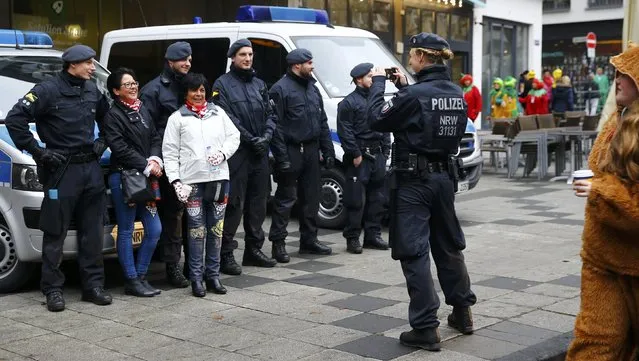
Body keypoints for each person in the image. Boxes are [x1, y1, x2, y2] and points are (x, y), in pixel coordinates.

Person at [367, 33, 476, 351]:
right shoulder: (456, 92)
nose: (408, 59)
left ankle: (426, 327)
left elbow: (377, 119)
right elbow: (424, 114)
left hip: (413, 183)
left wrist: (377, 83)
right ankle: (462, 313)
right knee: (448, 246)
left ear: (421, 57)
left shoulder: (414, 95)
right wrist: (406, 87)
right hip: (444, 178)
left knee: (414, 252)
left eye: (410, 54)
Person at [5, 44, 112, 311]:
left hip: (91, 170)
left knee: (92, 232)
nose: (92, 67)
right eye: (88, 62)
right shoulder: (47, 90)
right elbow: (15, 120)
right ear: (72, 65)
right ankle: (53, 290)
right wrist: (38, 152)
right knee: (55, 233)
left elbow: (109, 117)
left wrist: (104, 142)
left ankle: (93, 286)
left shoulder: (91, 89)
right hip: (62, 170)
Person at [567, 43, 639, 361]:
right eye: (617, 73)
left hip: (635, 261)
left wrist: (600, 191)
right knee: (594, 343)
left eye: (625, 74)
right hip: (601, 260)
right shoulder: (613, 125)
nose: (617, 80)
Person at [162, 73, 240, 297]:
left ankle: (213, 276)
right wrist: (176, 181)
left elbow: (234, 136)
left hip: (218, 180)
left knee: (216, 230)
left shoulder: (218, 112)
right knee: (196, 231)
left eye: (202, 90)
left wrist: (223, 153)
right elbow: (169, 152)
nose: (198, 94)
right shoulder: (177, 118)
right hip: (192, 182)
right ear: (186, 93)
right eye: (194, 90)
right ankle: (196, 279)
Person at [212, 39, 277, 275]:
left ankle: (253, 250)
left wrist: (266, 137)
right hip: (238, 154)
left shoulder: (259, 84)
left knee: (258, 203)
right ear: (233, 57)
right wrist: (252, 140)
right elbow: (227, 118)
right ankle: (225, 254)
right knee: (234, 206)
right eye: (242, 54)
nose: (247, 58)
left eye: (250, 54)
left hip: (259, 154)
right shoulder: (222, 84)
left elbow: (271, 114)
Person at [268, 48, 336, 262]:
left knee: (311, 198)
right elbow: (275, 127)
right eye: (309, 63)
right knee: (286, 199)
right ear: (296, 65)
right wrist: (282, 158)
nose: (312, 66)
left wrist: (328, 150)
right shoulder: (280, 89)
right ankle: (278, 244)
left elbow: (322, 121)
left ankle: (309, 241)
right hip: (291, 150)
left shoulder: (312, 89)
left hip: (312, 150)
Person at [104, 67, 163, 297]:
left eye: (134, 83)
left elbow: (155, 136)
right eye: (127, 85)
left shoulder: (142, 109)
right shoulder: (113, 115)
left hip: (146, 178)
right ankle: (130, 279)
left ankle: (140, 274)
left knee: (155, 229)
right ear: (116, 91)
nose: (133, 87)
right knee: (126, 229)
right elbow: (119, 148)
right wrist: (145, 164)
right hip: (125, 178)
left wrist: (156, 158)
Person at [140, 41, 192, 288]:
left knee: (191, 212)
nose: (188, 63)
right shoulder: (153, 90)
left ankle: (192, 264)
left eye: (190, 59)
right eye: (183, 59)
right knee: (173, 215)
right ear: (170, 61)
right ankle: (172, 267)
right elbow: (148, 129)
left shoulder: (191, 86)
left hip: (190, 158)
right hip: (167, 161)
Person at [337, 62, 390, 254]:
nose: (373, 79)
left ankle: (372, 236)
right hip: (360, 157)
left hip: (377, 156)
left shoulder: (377, 100)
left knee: (378, 199)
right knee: (355, 200)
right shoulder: (348, 103)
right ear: (359, 79)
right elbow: (345, 131)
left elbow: (384, 126)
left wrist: (386, 152)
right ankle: (352, 238)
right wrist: (355, 154)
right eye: (370, 76)